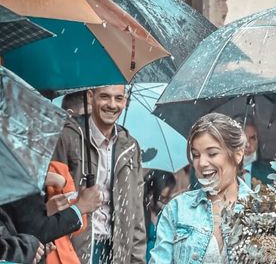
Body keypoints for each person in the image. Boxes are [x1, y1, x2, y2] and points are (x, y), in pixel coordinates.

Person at [52, 85, 146, 264]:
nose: (112, 104)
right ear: (90, 96)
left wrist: (137, 261)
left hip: (116, 252)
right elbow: (51, 199)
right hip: (74, 251)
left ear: (125, 101)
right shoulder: (68, 137)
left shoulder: (130, 147)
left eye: (118, 98)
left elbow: (136, 214)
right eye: (105, 97)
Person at [150, 113, 251, 263]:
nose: (202, 163)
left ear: (238, 154)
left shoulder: (265, 210)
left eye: (212, 153)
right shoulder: (177, 209)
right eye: (196, 155)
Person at [143, 171, 177, 262]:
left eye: (169, 198)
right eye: (162, 198)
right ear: (151, 193)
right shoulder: (141, 212)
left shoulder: (166, 214)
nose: (165, 202)